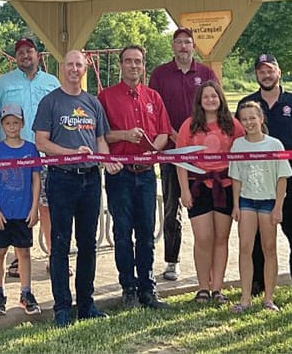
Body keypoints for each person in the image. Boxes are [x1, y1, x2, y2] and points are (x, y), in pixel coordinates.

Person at [34, 49, 122, 328]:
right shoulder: (50, 102)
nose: (74, 69)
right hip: (61, 178)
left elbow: (101, 140)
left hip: (90, 180)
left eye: (79, 65)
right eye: (70, 65)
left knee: (88, 244)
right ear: (63, 68)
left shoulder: (93, 102)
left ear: (86, 69)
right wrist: (70, 154)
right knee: (60, 244)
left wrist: (105, 161)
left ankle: (86, 304)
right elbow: (41, 143)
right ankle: (62, 307)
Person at [237, 53, 292, 302]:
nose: (266, 74)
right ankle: (258, 283)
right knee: (259, 238)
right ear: (257, 75)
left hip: (290, 180)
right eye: (261, 71)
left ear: (279, 72)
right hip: (254, 183)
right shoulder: (247, 104)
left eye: (270, 69)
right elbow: (237, 142)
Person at [99, 45, 172, 309]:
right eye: (128, 61)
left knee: (146, 232)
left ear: (143, 66)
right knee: (122, 233)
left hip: (146, 175)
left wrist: (155, 149)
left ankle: (147, 289)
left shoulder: (153, 97)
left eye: (138, 61)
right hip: (120, 175)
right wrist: (124, 135)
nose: (133, 66)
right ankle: (127, 288)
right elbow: (101, 135)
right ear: (120, 65)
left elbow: (164, 132)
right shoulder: (105, 97)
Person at [148, 27, 218, 281]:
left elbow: (216, 108)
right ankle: (171, 261)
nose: (183, 47)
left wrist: (194, 142)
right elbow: (153, 112)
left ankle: (209, 263)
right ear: (173, 46)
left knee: (207, 207)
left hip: (204, 155)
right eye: (178, 42)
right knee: (171, 207)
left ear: (194, 46)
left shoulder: (206, 73)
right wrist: (177, 138)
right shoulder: (160, 74)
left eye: (188, 42)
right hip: (171, 152)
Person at [0, 37, 60, 275]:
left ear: (37, 54)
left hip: (45, 154)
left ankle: (55, 256)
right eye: (20, 52)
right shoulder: (3, 83)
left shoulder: (52, 82)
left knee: (46, 207)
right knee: (15, 207)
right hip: (13, 157)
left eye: (29, 51)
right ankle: (16, 258)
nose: (25, 56)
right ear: (15, 58)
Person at [175, 80, 244, 304]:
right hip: (199, 187)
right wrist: (184, 190)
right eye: (206, 97)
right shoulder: (190, 125)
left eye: (214, 96)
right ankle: (202, 287)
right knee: (203, 238)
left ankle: (217, 288)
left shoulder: (233, 125)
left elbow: (244, 156)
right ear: (199, 101)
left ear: (220, 98)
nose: (210, 100)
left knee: (221, 238)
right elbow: (181, 159)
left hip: (225, 187)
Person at [229, 100, 292, 313]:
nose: (249, 123)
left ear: (261, 118)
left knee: (269, 248)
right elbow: (236, 177)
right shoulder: (238, 145)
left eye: (252, 118)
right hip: (246, 201)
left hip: (268, 201)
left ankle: (268, 298)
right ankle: (245, 298)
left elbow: (282, 177)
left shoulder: (275, 145)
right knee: (245, 247)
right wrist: (236, 205)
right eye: (244, 119)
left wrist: (279, 207)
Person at [0, 103, 42, 315]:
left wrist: (34, 207)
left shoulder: (30, 149)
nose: (12, 126)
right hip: (2, 211)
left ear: (22, 124)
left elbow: (36, 179)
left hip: (23, 210)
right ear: (2, 124)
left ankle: (26, 292)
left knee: (24, 252)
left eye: (16, 122)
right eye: (8, 123)